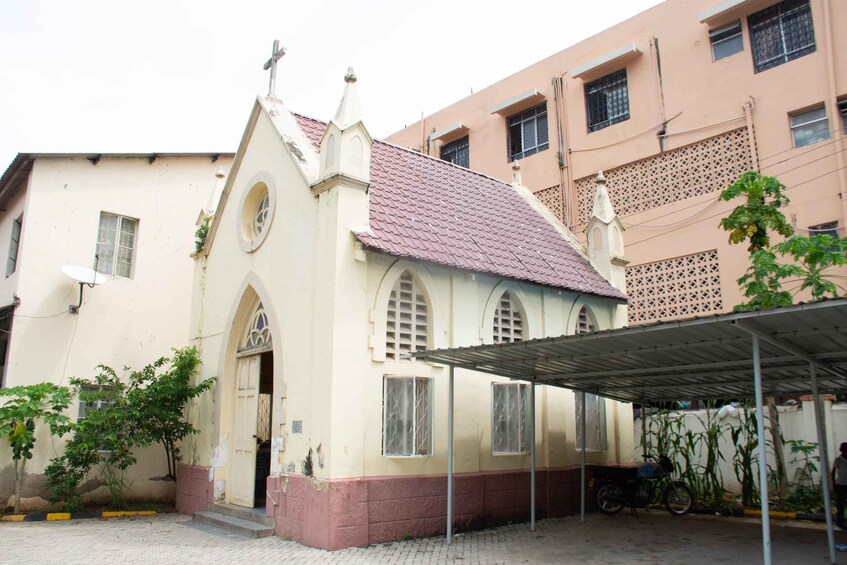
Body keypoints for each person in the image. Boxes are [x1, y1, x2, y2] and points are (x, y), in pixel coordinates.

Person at [832, 442, 847, 530]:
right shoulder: (838, 460)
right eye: (844, 450)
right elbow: (833, 472)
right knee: (840, 504)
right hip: (841, 484)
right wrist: (834, 484)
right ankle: (840, 522)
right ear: (841, 450)